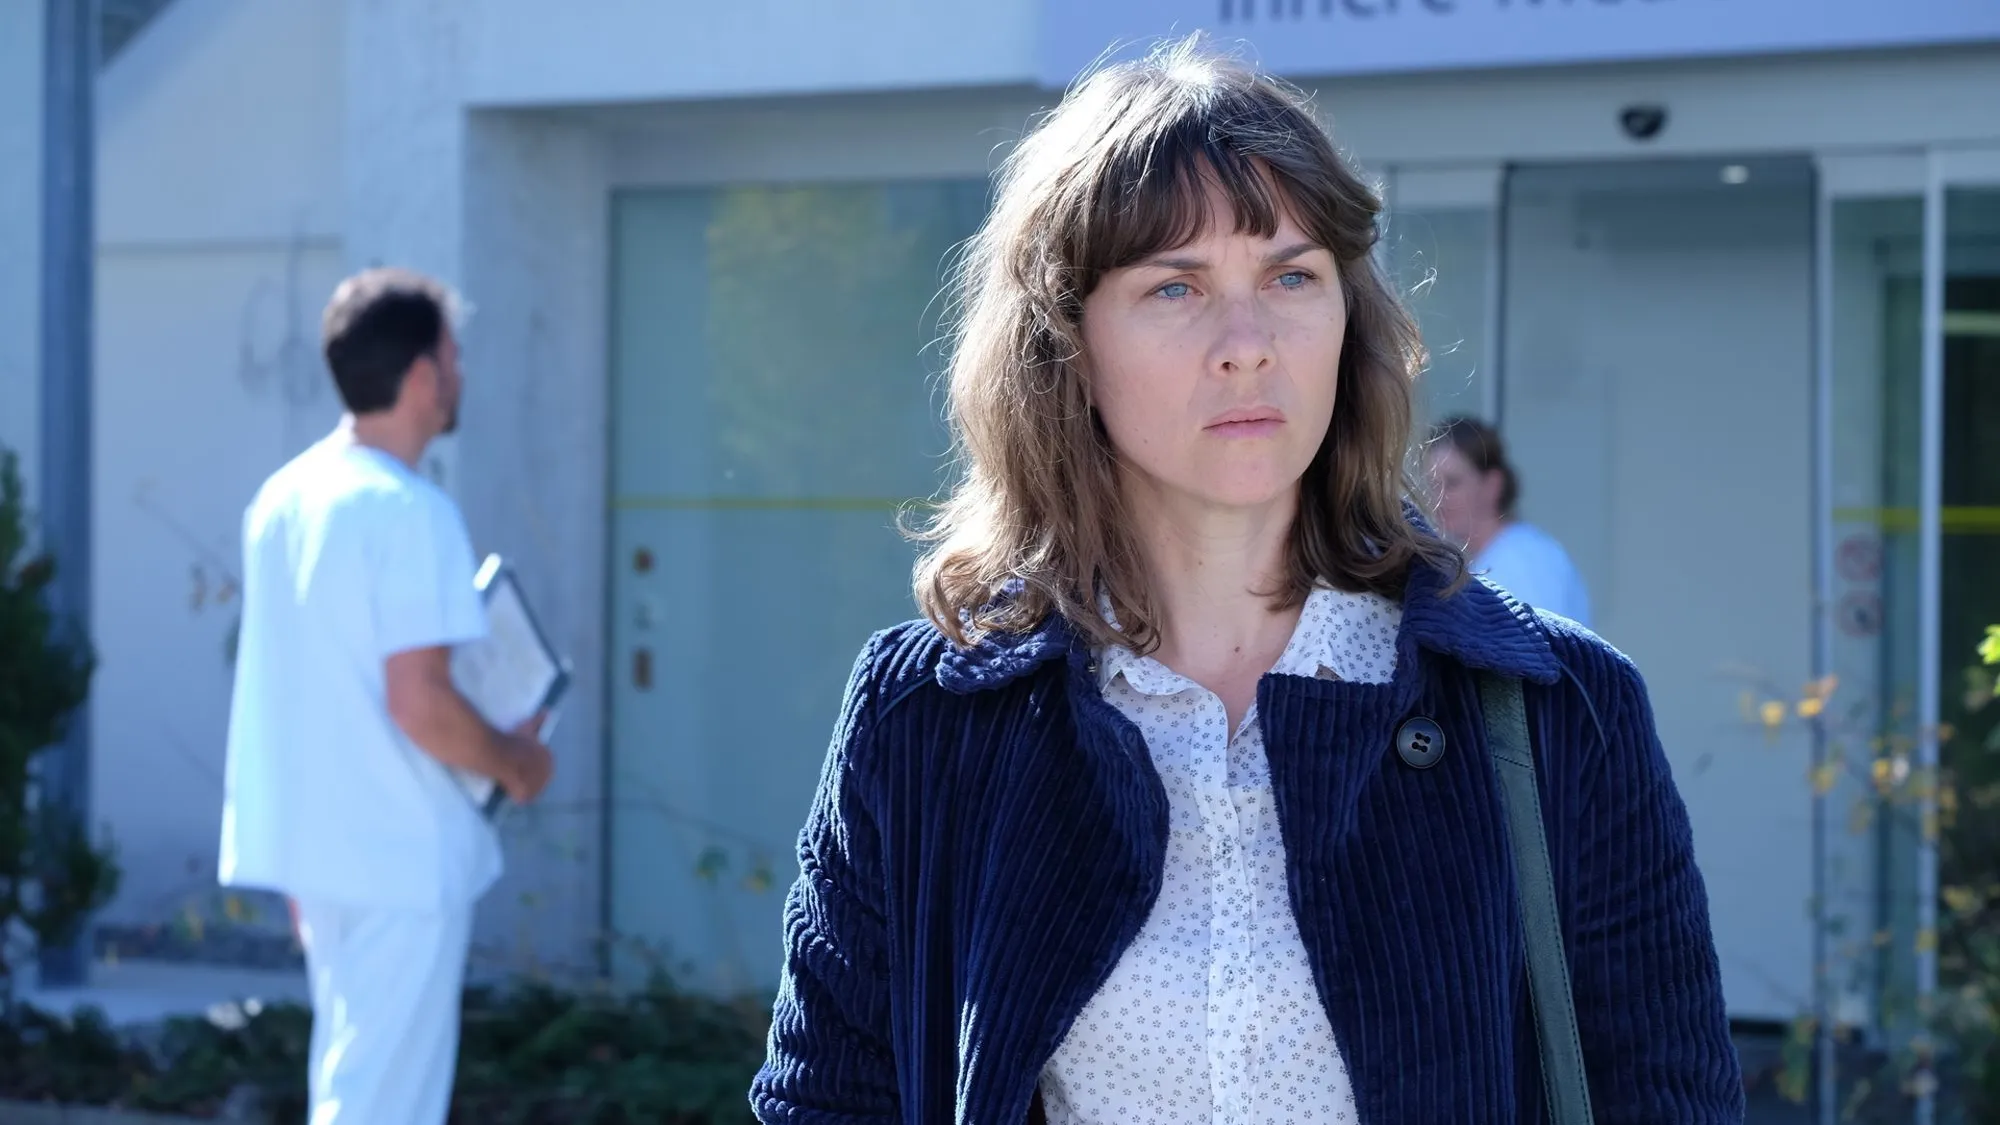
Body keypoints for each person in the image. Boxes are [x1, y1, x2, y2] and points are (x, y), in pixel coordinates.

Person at [751, 39, 1741, 1125]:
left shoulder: (1557, 710)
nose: (1247, 344)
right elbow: (825, 1102)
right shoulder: (927, 716)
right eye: (1174, 285)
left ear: (1347, 321)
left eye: (1290, 277)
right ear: (1064, 344)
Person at [219, 267, 555, 1124]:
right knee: (382, 1105)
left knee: (353, 1086)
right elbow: (420, 702)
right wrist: (516, 760)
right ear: (421, 376)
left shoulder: (282, 499)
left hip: (320, 856)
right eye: (453, 356)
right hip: (399, 855)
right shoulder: (409, 510)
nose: (461, 373)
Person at [1426, 414, 1595, 628]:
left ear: (1492, 485)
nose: (1438, 498)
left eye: (1452, 483)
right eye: (1432, 484)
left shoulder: (1526, 562)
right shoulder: (1487, 561)